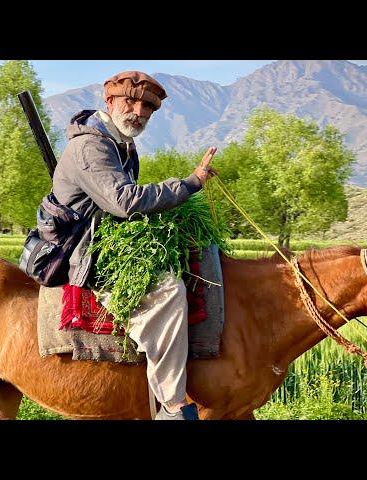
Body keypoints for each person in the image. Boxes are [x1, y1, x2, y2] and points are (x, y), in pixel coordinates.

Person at [52, 71, 217, 420]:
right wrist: (188, 184)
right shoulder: (91, 146)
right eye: (131, 101)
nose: (139, 111)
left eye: (147, 107)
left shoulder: (122, 145)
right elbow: (125, 202)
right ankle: (172, 403)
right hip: (83, 246)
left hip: (105, 233)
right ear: (109, 101)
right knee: (167, 289)